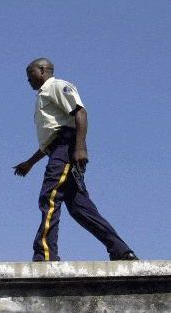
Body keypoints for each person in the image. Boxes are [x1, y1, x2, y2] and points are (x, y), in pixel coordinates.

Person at [13, 58, 138, 262]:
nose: (28, 79)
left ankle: (45, 255)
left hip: (66, 148)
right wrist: (30, 162)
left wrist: (80, 147)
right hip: (59, 149)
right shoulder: (43, 95)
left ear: (43, 70)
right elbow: (51, 139)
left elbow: (80, 112)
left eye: (31, 74)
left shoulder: (56, 86)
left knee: (50, 196)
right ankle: (121, 250)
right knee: (80, 208)